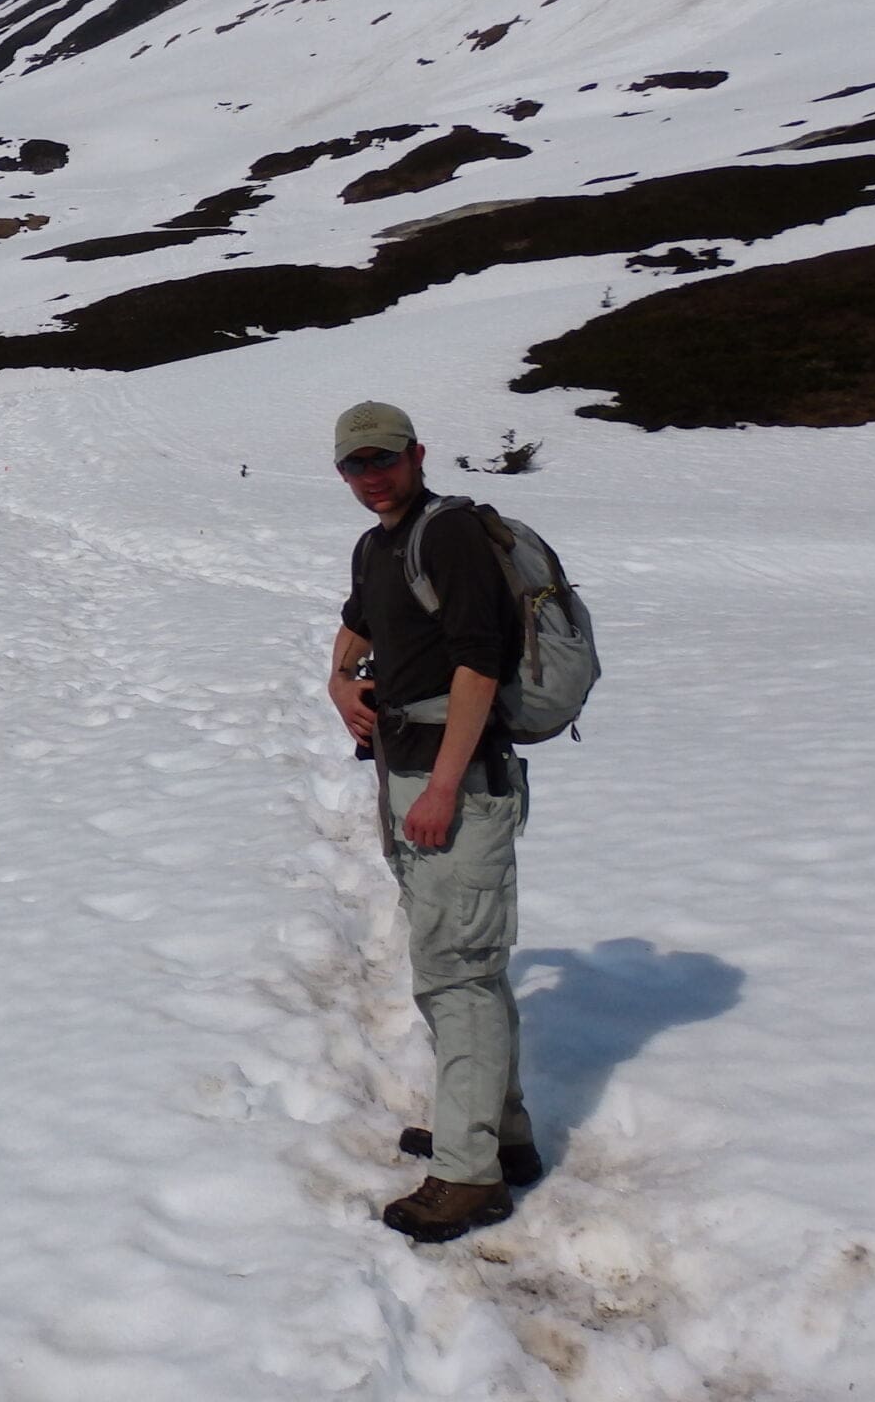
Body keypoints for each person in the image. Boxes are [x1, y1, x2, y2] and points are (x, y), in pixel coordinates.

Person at [325, 400, 542, 1243]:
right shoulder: (379, 542)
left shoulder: (445, 534)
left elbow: (479, 664)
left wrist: (444, 787)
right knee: (461, 966)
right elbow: (356, 626)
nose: (371, 477)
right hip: (405, 773)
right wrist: (341, 686)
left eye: (383, 459)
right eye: (354, 465)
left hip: (455, 782)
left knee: (457, 974)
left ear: (417, 453)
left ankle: (468, 1174)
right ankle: (497, 1136)